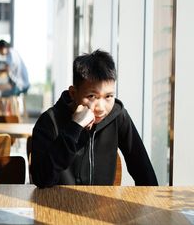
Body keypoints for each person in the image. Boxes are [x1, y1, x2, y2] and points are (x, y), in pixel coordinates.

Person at [31, 49, 158, 188]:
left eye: (108, 96)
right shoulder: (49, 121)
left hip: (101, 207)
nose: (101, 108)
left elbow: (144, 172)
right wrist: (75, 127)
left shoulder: (118, 116)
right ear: (73, 93)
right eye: (92, 96)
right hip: (56, 206)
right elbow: (41, 180)